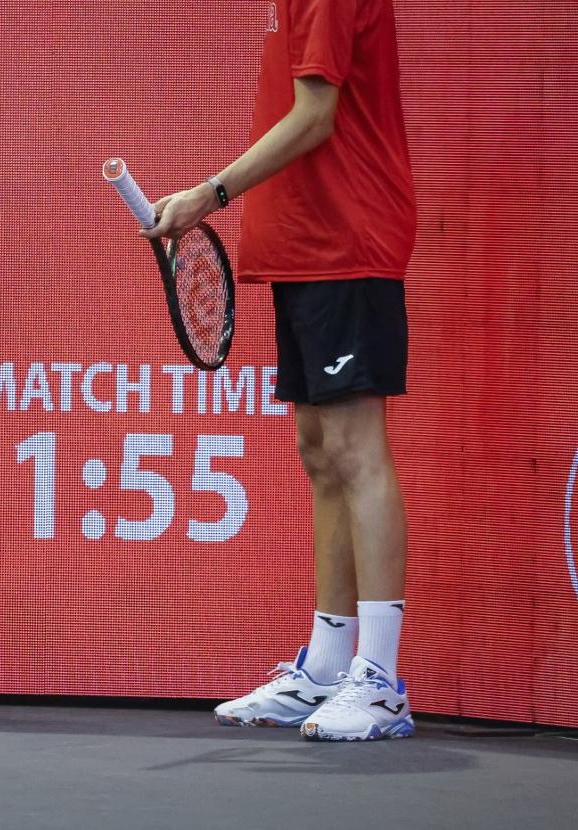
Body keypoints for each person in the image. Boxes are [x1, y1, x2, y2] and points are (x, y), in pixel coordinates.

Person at [144, 0, 417, 741]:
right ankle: (327, 669)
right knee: (321, 454)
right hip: (302, 245)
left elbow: (316, 116)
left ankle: (382, 682)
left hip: (348, 237)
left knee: (357, 451)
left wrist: (211, 193)